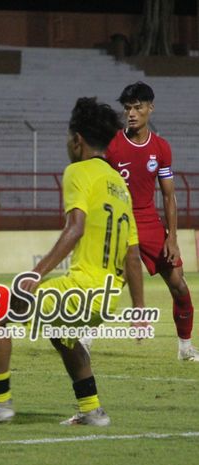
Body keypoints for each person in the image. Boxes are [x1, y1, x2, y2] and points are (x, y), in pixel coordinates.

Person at [0, 97, 144, 426]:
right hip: (106, 297)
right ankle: (92, 409)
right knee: (61, 333)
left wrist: (35, 273)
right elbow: (132, 253)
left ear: (77, 140)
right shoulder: (119, 185)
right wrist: (139, 308)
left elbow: (75, 228)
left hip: (83, 288)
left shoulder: (78, 171)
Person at [104, 81, 197, 361]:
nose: (131, 113)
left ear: (150, 108)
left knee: (179, 284)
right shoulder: (112, 146)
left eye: (137, 107)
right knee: (107, 288)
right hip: (119, 223)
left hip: (148, 222)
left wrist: (172, 238)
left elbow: (169, 197)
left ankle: (185, 348)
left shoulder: (161, 148)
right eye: (127, 108)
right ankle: (83, 340)